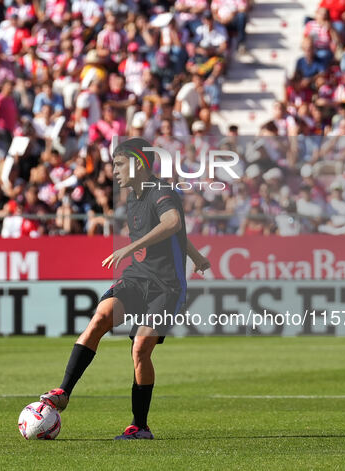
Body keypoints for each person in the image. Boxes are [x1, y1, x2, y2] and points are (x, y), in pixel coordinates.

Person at [39, 138, 211, 439]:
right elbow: (176, 230)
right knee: (101, 316)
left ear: (138, 164)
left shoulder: (162, 192)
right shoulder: (133, 197)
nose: (114, 170)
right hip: (137, 277)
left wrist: (131, 247)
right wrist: (196, 257)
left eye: (119, 163)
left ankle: (140, 426)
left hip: (167, 287)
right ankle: (63, 392)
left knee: (140, 349)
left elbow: (172, 224)